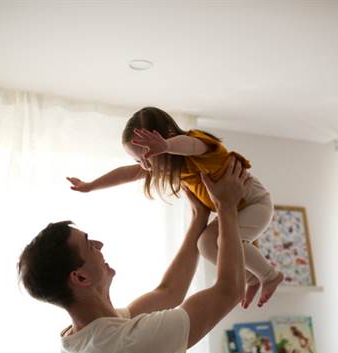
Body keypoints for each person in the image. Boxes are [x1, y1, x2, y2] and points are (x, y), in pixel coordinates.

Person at [18, 160, 248, 353]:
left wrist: (200, 215)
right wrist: (227, 208)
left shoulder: (81, 340)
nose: (100, 245)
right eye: (89, 243)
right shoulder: (127, 346)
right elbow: (230, 290)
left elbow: (169, 292)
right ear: (79, 278)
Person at [66, 107, 283, 308]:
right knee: (205, 244)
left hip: (256, 203)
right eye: (138, 160)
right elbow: (126, 174)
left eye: (147, 156)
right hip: (233, 210)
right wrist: (91, 185)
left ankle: (270, 276)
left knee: (221, 242)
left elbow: (192, 145)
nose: (145, 164)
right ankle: (252, 277)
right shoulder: (170, 168)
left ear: (168, 138)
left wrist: (168, 146)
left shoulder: (199, 149)